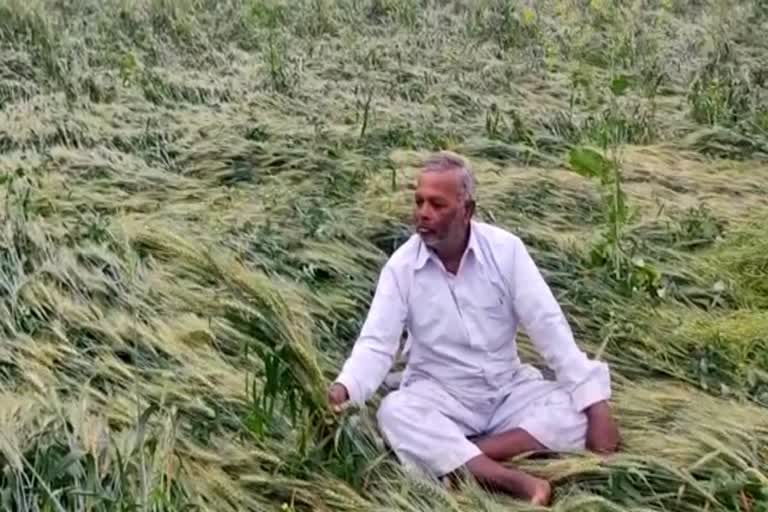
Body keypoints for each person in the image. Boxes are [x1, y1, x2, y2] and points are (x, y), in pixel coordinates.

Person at [327, 151, 620, 505]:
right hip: (441, 395)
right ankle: (517, 482)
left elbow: (548, 325)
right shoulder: (401, 268)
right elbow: (377, 344)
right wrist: (345, 388)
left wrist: (596, 403)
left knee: (574, 411)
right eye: (419, 201)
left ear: (467, 210)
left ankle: (463, 460)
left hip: (507, 391)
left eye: (437, 204)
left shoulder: (506, 251)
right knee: (394, 412)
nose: (423, 213)